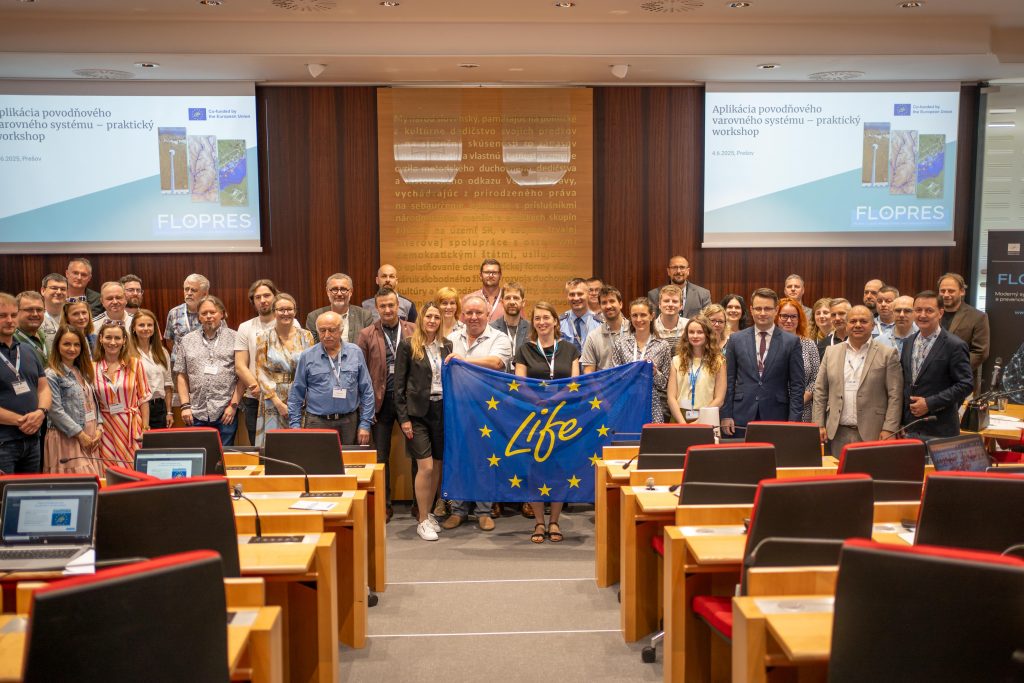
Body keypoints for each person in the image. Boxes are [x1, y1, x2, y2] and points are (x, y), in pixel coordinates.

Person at [443, 294, 512, 532]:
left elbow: (496, 363)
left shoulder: (499, 338)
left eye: (478, 313)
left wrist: (464, 361)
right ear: (462, 315)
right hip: (457, 408)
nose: (473, 317)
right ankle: (458, 510)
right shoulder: (451, 338)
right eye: (469, 313)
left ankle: (484, 511)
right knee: (459, 457)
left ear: (487, 315)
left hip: (487, 409)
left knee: (485, 459)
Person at [515, 301, 581, 543]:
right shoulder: (525, 349)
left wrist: (552, 399)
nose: (542, 322)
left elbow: (575, 383)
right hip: (533, 417)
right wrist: (539, 402)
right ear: (533, 323)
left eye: (546, 317)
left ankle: (554, 521)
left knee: (560, 470)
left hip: (563, 418)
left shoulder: (570, 349)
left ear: (556, 321)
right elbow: (519, 383)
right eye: (537, 318)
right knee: (535, 470)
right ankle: (539, 522)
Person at [395, 302, 452, 541]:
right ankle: (422, 518)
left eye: (436, 317)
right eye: (428, 316)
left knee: (438, 466)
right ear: (421, 319)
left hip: (442, 410)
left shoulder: (446, 345)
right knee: (425, 467)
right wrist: (404, 418)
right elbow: (398, 386)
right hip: (417, 414)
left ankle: (429, 515)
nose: (432, 321)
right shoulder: (408, 345)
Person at [358, 288, 417, 518]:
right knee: (380, 457)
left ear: (398, 305)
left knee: (416, 453)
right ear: (376, 308)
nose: (388, 310)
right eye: (383, 306)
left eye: (391, 305)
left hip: (409, 403)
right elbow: (361, 373)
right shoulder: (366, 334)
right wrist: (365, 407)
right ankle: (384, 503)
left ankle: (419, 503)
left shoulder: (413, 330)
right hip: (379, 403)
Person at [814, 306, 903, 456]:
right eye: (853, 321)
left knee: (870, 477)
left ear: (873, 325)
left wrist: (889, 428)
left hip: (873, 433)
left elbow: (895, 395)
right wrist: (818, 424)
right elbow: (820, 391)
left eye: (863, 321)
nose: (857, 325)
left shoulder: (887, 354)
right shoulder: (831, 352)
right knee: (837, 478)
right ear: (846, 324)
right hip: (835, 433)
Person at [721, 288, 805, 436]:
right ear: (751, 310)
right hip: (741, 415)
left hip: (777, 416)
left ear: (776, 310)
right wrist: (726, 414)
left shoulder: (791, 342)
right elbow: (729, 380)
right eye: (758, 308)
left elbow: (797, 385)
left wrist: (794, 421)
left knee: (774, 459)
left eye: (767, 308)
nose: (762, 313)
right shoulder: (736, 340)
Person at [288, 311, 374, 445]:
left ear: (341, 330)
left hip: (349, 422)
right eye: (322, 331)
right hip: (317, 422)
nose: (327, 335)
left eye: (332, 330)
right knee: (318, 464)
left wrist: (365, 424)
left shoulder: (355, 352)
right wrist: (295, 425)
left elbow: (367, 390)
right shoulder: (307, 356)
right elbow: (296, 394)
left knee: (349, 464)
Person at [900, 291, 974, 439]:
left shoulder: (954, 345)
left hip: (940, 428)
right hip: (910, 427)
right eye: (918, 310)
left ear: (940, 313)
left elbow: (966, 384)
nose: (922, 315)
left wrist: (930, 403)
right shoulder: (908, 342)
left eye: (929, 310)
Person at [174, 295, 241, 445]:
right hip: (196, 412)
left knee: (224, 460)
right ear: (198, 317)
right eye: (204, 313)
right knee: (199, 458)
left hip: (225, 412)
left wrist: (233, 406)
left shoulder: (236, 338)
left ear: (222, 313)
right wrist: (185, 406)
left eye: (213, 312)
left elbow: (241, 375)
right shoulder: (187, 340)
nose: (208, 316)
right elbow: (181, 375)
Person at [0, 292, 51, 474]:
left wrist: (41, 412)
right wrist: (21, 421)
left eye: (13, 315)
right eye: (2, 316)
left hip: (32, 441)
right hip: (4, 443)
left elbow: (43, 387)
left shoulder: (27, 350)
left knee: (30, 496)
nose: (9, 320)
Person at [254, 293, 315, 446]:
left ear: (295, 311)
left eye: (289, 309)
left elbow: (312, 368)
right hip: (272, 398)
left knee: (301, 444)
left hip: (301, 396)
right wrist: (277, 402)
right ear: (274, 311)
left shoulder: (306, 336)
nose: (285, 313)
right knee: (275, 445)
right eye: (281, 309)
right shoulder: (263, 337)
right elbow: (261, 371)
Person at [44, 326, 103, 474]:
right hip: (67, 437)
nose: (72, 349)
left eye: (76, 344)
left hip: (90, 435)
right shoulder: (51, 374)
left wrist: (99, 428)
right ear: (57, 345)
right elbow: (55, 411)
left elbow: (94, 402)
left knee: (95, 484)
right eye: (67, 344)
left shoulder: (82, 371)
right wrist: (80, 434)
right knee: (79, 486)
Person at [93, 322, 151, 467]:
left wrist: (145, 428)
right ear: (100, 339)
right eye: (108, 337)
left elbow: (143, 399)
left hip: (131, 426)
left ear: (124, 340)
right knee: (109, 469)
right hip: (105, 428)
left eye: (117, 338)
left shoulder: (135, 364)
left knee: (133, 467)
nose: (113, 342)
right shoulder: (92, 366)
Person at [235, 279, 282, 443]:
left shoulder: (290, 322)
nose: (263, 300)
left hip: (282, 397)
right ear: (253, 302)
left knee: (283, 446)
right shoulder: (245, 327)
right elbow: (240, 365)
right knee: (258, 449)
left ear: (275, 297)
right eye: (258, 297)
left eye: (267, 295)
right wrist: (257, 387)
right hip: (254, 397)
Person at [612, 298, 672, 423]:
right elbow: (615, 377)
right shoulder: (620, 344)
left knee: (651, 442)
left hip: (651, 405)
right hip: (625, 404)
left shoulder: (662, 345)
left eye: (643, 315)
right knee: (626, 441)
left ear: (652, 316)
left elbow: (665, 384)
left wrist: (655, 372)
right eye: (634, 315)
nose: (639, 320)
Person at [937, 272, 990, 395]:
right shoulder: (931, 313)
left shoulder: (978, 317)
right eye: (942, 291)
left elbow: (980, 352)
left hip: (960, 382)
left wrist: (952, 369)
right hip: (931, 383)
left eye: (951, 291)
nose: (946, 295)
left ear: (962, 292)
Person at [667, 316, 725, 423]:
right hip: (679, 416)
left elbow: (719, 399)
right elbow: (671, 397)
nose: (695, 336)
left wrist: (700, 420)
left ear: (707, 335)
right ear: (686, 335)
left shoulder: (718, 361)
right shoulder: (676, 360)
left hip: (707, 416)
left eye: (700, 332)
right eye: (691, 332)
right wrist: (682, 423)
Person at [775, 297, 820, 422]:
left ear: (799, 318)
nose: (789, 320)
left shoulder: (809, 344)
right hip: (774, 408)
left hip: (802, 409)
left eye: (793, 316)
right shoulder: (769, 344)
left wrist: (801, 400)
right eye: (784, 316)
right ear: (776, 317)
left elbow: (816, 378)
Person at [129, 309, 174, 430]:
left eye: (150, 325)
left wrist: (169, 412)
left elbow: (168, 384)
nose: (146, 328)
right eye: (141, 325)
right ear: (134, 328)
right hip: (137, 408)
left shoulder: (162, 352)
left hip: (160, 408)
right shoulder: (127, 353)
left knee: (159, 446)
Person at [306, 273, 373, 344]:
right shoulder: (314, 317)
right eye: (334, 289)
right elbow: (313, 348)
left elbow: (369, 344)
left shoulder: (365, 316)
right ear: (327, 291)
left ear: (351, 291)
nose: (339, 294)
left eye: (343, 289)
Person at [581, 285, 631, 373]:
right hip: (604, 385)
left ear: (620, 304)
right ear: (600, 307)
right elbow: (588, 370)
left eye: (612, 301)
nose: (608, 306)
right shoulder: (593, 336)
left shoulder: (635, 330)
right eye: (604, 303)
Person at [165, 273, 209, 365]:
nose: (189, 293)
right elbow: (169, 340)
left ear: (204, 294)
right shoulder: (174, 313)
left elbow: (222, 340)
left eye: (193, 290)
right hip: (179, 365)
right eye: (186, 289)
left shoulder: (213, 314)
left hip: (204, 365)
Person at [490, 282, 530, 373]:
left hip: (524, 382)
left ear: (523, 302)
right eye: (508, 298)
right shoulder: (491, 329)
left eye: (516, 298)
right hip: (499, 382)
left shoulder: (532, 329)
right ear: (502, 302)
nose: (512, 302)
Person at [559, 277, 600, 353]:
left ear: (588, 295)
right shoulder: (559, 323)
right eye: (572, 294)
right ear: (567, 297)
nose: (576, 298)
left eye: (580, 294)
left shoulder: (599, 324)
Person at [14, 291, 47, 367]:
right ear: (16, 311)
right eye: (29, 309)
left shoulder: (42, 334)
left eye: (39, 310)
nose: (35, 314)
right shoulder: (10, 339)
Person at [466, 259, 505, 323]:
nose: (490, 276)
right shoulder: (469, 299)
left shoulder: (510, 299)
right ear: (481, 275)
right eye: (487, 272)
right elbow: (462, 327)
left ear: (500, 275)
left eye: (494, 273)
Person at [39, 273, 68, 351]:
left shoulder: (73, 318)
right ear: (43, 290)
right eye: (54, 288)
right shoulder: (36, 319)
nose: (59, 292)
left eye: (63, 289)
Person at [654, 284, 688, 349]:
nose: (670, 304)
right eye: (666, 301)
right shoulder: (651, 327)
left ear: (681, 306)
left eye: (674, 301)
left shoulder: (688, 325)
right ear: (659, 305)